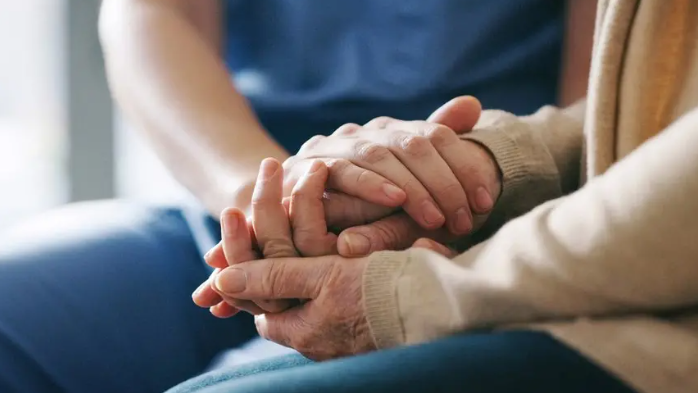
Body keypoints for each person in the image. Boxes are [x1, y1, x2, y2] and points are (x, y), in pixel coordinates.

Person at [0, 1, 595, 393]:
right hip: (228, 212)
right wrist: (268, 199)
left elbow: (610, 99)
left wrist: (471, 190)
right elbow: (153, 14)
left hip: (485, 225)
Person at [170, 0, 698, 392]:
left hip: (644, 312)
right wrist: (491, 163)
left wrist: (412, 293)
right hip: (309, 200)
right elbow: (645, 107)